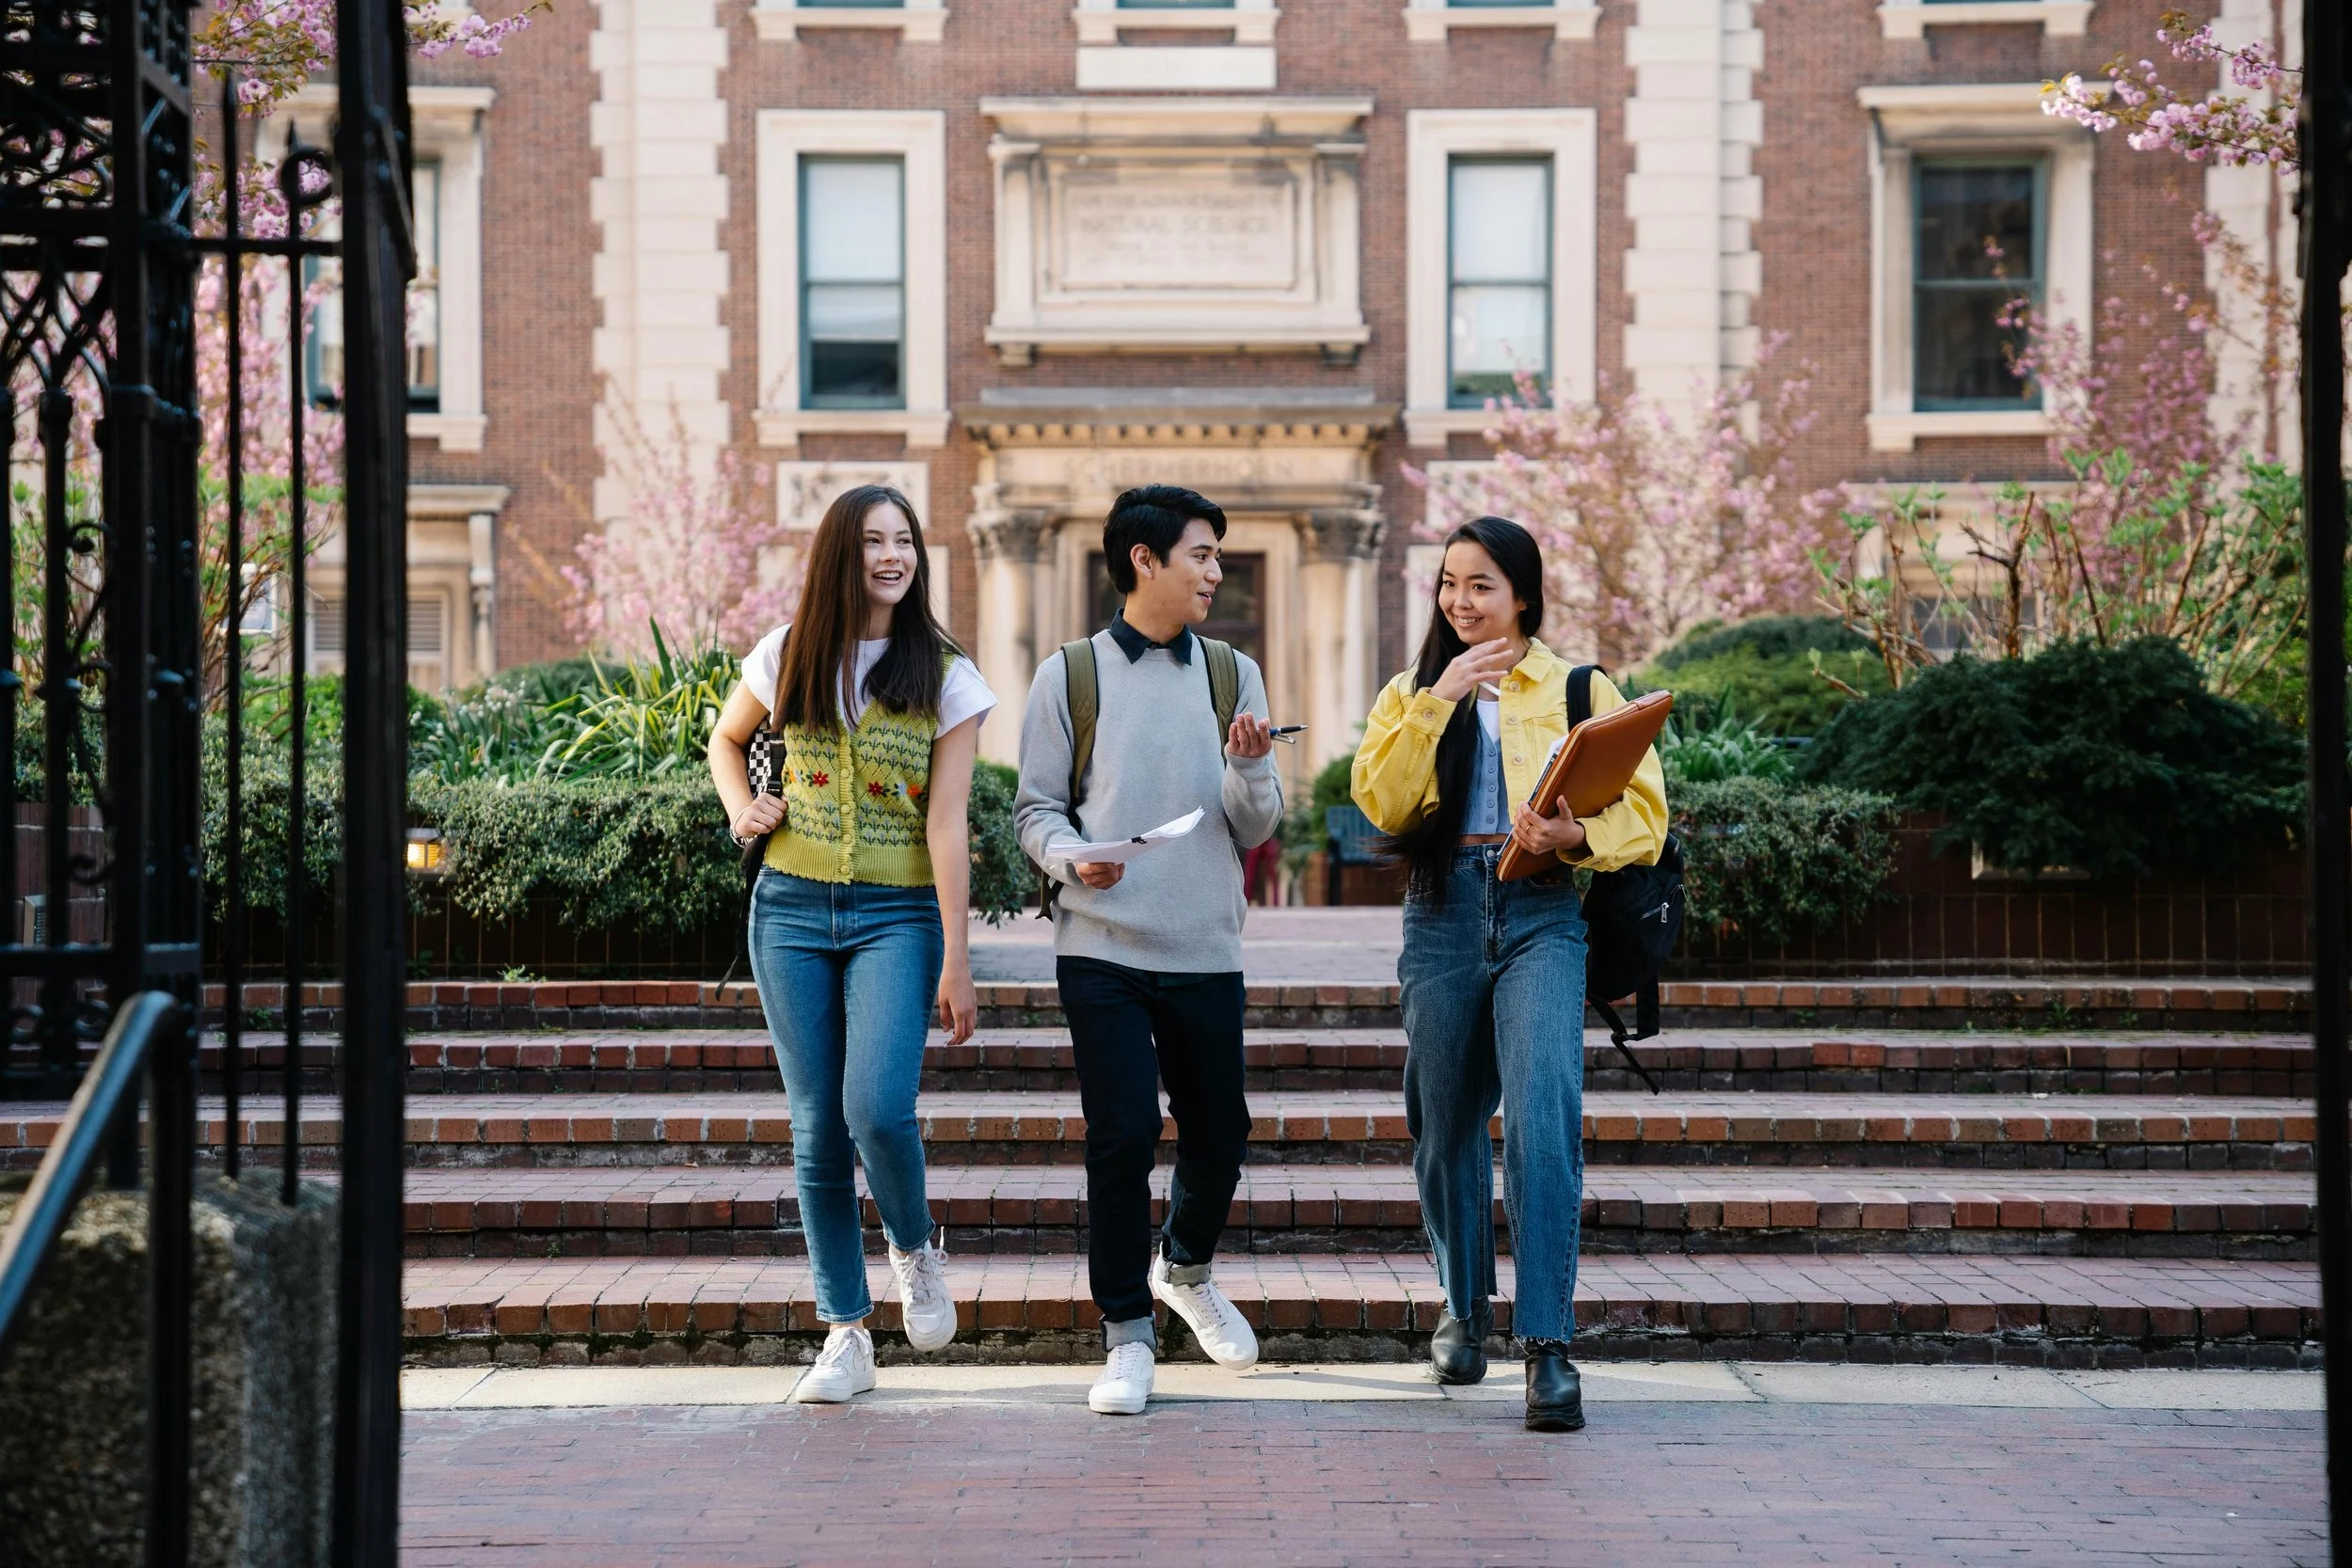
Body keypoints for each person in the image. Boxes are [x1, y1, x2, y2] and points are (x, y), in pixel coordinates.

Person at [1351, 515, 1667, 1433]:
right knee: (1444, 1122)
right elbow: (1382, 798)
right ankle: (1461, 1307)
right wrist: (1438, 699)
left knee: (1541, 1119)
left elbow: (1646, 815)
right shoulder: (1413, 690)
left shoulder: (1577, 685)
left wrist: (1575, 835)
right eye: (1449, 583)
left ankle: (1548, 1346)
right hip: (1441, 911)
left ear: (1522, 594)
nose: (1459, 600)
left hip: (1542, 911)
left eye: (1480, 584)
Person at [706, 483, 996, 1405]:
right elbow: (725, 738)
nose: (892, 555)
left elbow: (947, 822)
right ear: (842, 552)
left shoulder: (947, 674)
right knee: (815, 1124)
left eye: (903, 539)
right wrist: (739, 811)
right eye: (873, 540)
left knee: (876, 1105)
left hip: (896, 916)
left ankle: (914, 1248)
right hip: (788, 908)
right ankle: (844, 1328)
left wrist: (958, 954)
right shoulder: (788, 652)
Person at [1013, 484, 1283, 1416]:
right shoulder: (1070, 674)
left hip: (1205, 945)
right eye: (1201, 554)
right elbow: (1034, 808)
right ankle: (1126, 1330)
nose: (1215, 570)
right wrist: (1064, 854)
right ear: (1144, 560)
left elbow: (1257, 823)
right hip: (1101, 950)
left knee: (1220, 1131)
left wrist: (1248, 762)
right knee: (1122, 1134)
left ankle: (1187, 1267)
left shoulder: (1230, 673)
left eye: (1217, 556)